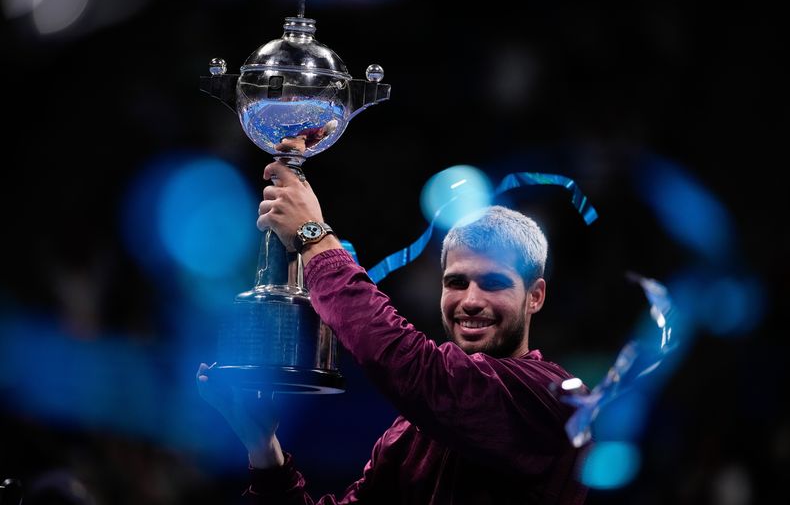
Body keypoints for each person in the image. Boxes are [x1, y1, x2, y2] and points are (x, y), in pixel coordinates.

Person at [197, 160, 590, 504]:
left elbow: (410, 364)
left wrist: (313, 238)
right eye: (456, 282)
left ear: (535, 296)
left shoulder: (555, 400)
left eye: (493, 283)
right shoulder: (411, 432)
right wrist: (264, 450)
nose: (470, 300)